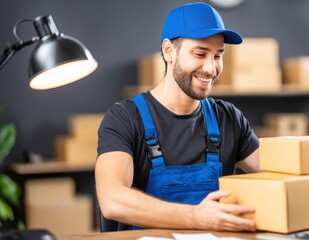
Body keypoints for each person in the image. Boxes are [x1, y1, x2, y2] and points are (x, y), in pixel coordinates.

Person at [95, 2, 259, 232]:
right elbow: (111, 199)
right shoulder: (124, 119)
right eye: (200, 54)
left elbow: (278, 174)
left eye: (218, 55)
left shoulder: (229, 119)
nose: (211, 68)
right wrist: (195, 217)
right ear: (168, 51)